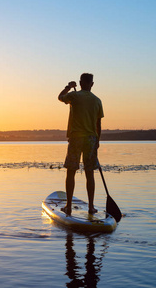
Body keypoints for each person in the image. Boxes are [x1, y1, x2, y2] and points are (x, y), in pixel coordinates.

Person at [58, 73, 104, 216]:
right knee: (89, 173)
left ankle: (69, 206)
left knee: (71, 171)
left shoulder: (74, 96)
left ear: (80, 82)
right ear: (92, 84)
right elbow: (98, 124)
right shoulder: (97, 100)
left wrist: (68, 87)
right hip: (91, 139)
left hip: (76, 137)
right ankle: (91, 207)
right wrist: (97, 141)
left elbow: (60, 97)